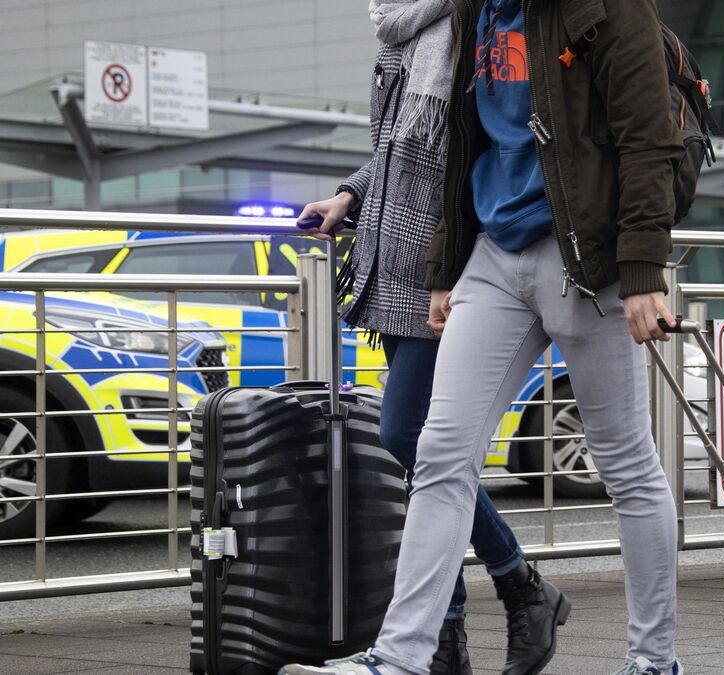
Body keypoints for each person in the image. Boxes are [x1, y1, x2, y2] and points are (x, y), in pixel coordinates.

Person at [283, 0, 683, 672]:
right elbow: (462, 147)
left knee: (627, 467)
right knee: (440, 452)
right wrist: (447, 269)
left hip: (585, 261)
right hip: (493, 258)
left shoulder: (604, 7)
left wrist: (643, 269)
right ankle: (401, 657)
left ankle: (654, 661)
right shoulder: (476, 10)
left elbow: (648, 140)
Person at [289, 1, 568, 673]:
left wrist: (454, 263)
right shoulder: (404, 32)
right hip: (391, 259)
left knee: (411, 436)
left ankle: (517, 582)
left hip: (449, 263)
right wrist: (349, 196)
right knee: (427, 454)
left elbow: (473, 148)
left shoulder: (470, 23)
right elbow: (396, 148)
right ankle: (449, 634)